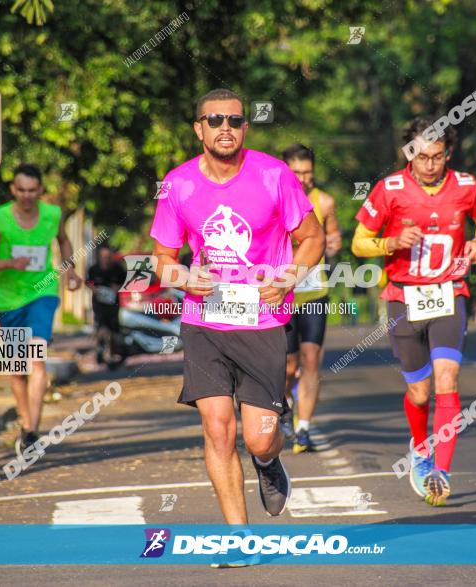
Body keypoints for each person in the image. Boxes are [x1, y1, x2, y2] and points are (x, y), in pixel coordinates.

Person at [150, 89, 325, 536]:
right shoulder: (178, 184)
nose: (224, 127)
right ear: (198, 128)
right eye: (214, 120)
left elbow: (313, 238)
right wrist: (186, 279)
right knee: (217, 428)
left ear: (245, 127)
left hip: (262, 323)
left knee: (259, 436)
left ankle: (268, 461)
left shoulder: (274, 175)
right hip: (204, 322)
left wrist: (288, 277)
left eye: (233, 120)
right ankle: (238, 536)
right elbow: (162, 259)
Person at [351, 117, 476, 506]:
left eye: (437, 157)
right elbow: (359, 243)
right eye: (421, 157)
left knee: (447, 379)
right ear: (409, 154)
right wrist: (392, 241)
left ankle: (442, 472)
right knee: (419, 391)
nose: (429, 165)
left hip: (450, 292)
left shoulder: (466, 186)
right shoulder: (389, 190)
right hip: (403, 298)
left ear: (448, 154)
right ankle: (420, 447)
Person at [0, 163, 82, 457]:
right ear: (13, 190)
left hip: (42, 293)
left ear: (40, 191)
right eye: (20, 190)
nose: (26, 196)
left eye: (32, 191)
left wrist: (70, 269)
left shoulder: (52, 215)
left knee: (36, 360)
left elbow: (62, 240)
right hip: (8, 300)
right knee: (17, 370)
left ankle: (32, 431)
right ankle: (26, 424)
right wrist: (9, 263)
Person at [281, 143, 342, 452]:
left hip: (315, 291)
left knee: (311, 360)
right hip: (283, 294)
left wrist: (332, 245)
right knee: (288, 366)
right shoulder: (275, 202)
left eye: (308, 173)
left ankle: (303, 428)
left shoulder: (325, 202)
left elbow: (334, 239)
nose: (303, 179)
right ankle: (285, 405)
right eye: (296, 173)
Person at [85, 245, 128, 364]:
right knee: (101, 327)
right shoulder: (94, 269)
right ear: (99, 257)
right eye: (103, 257)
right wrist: (94, 289)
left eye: (108, 257)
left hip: (113, 304)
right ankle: (100, 350)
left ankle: (115, 351)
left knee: (114, 328)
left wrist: (117, 288)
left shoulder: (117, 269)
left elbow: (125, 281)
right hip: (99, 303)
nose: (105, 259)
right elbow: (87, 281)